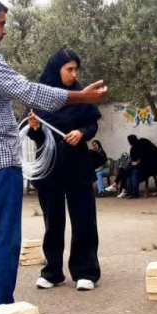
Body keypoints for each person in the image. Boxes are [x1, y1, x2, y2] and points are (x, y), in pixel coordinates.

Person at [0, 0, 108, 308]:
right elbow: (28, 91)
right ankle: (0, 311)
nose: (5, 31)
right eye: (2, 23)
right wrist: (80, 97)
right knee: (4, 239)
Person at [25, 48, 102, 292]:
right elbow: (35, 136)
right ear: (56, 69)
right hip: (49, 167)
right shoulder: (40, 95)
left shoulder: (80, 95)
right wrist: (35, 128)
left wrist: (82, 133)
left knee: (83, 219)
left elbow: (92, 124)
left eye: (75, 69)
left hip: (78, 164)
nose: (73, 74)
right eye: (69, 69)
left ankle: (85, 271)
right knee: (53, 220)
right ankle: (53, 271)